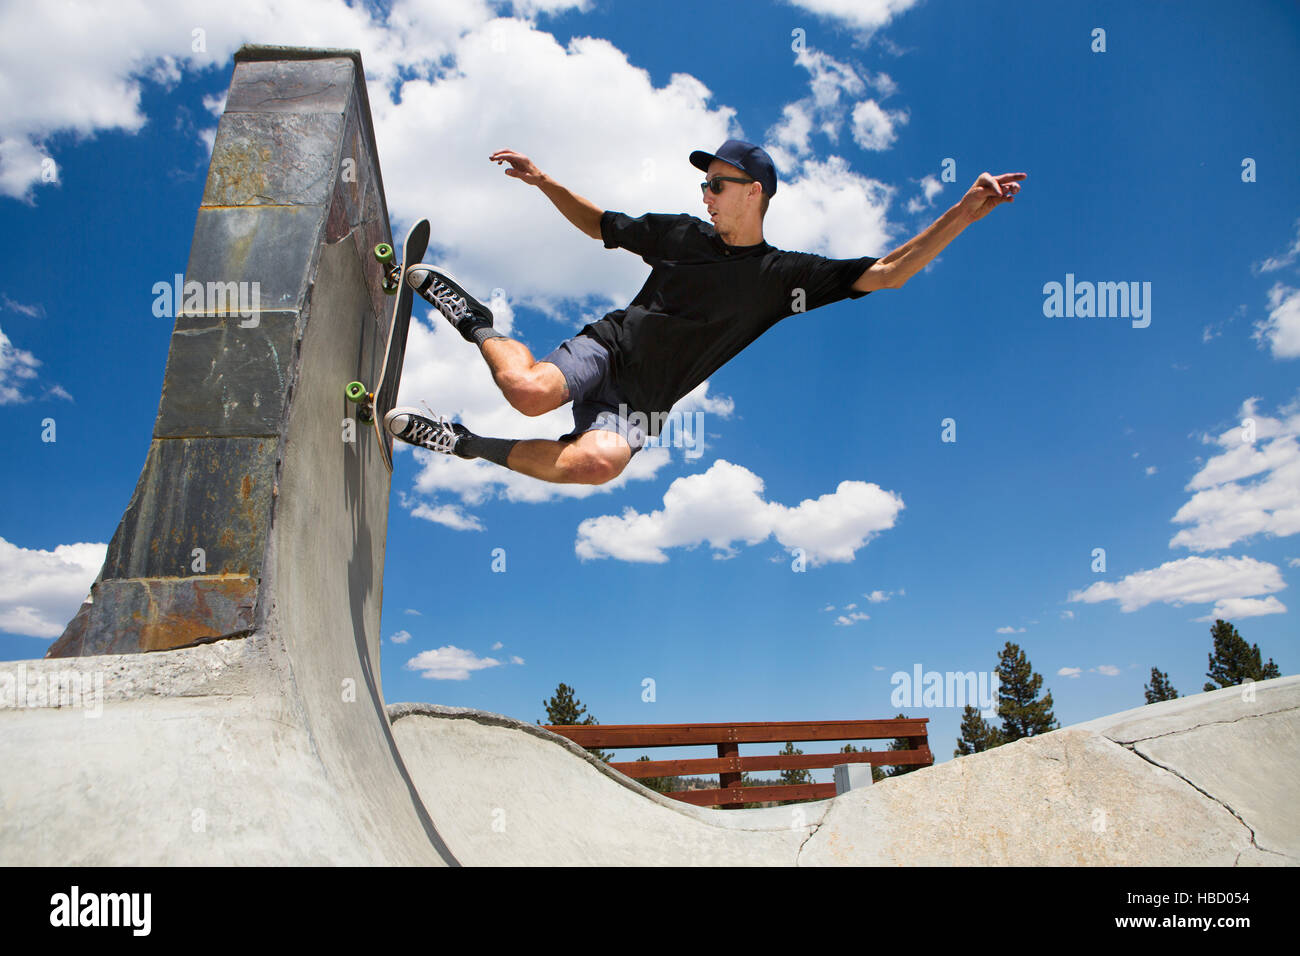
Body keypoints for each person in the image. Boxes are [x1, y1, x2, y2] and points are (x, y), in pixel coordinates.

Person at [386, 140, 1024, 485]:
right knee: (526, 392)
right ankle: (470, 314)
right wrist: (545, 181)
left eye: (716, 185)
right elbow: (601, 225)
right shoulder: (680, 233)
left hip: (642, 402)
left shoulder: (784, 278)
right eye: (704, 185)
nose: (706, 196)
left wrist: (964, 210)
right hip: (610, 346)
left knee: (598, 464)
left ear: (754, 193)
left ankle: (461, 443)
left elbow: (890, 272)